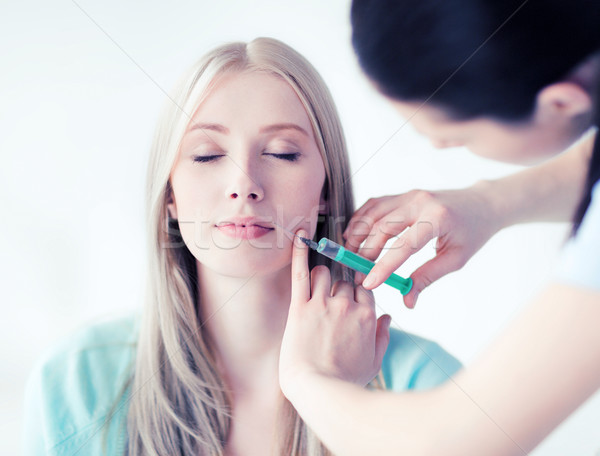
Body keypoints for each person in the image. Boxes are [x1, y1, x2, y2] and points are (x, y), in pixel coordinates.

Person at [23, 37, 461, 455]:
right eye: (207, 155)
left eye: (282, 153)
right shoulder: (76, 381)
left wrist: (339, 404)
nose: (244, 185)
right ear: (170, 196)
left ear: (325, 190)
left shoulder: (427, 386)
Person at [278, 1, 600, 455]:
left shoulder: (414, 369)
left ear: (563, 102)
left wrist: (303, 376)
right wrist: (489, 201)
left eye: (455, 137)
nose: (243, 188)